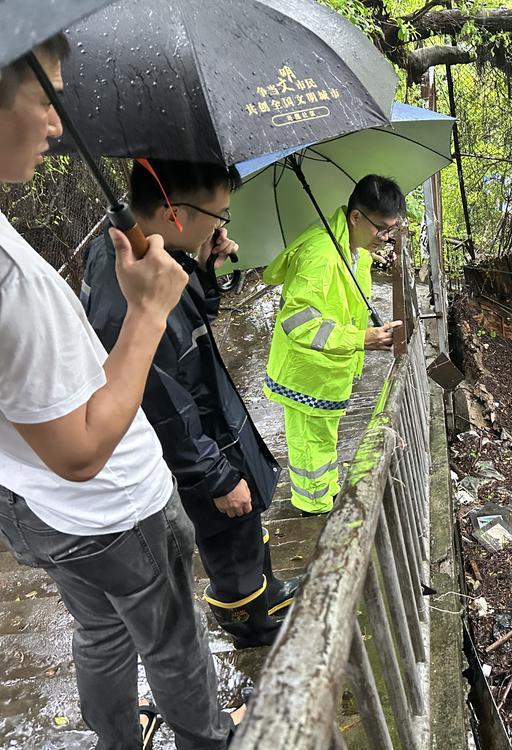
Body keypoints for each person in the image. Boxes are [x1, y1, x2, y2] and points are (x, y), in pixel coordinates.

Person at [0, 36, 234, 748]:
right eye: (45, 100)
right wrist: (149, 312)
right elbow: (79, 450)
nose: (55, 126)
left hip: (33, 506)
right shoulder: (8, 276)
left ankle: (115, 738)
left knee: (99, 627)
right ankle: (207, 739)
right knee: (171, 639)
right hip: (111, 506)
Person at [81, 158, 300, 648]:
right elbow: (161, 404)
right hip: (193, 441)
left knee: (246, 520)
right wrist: (215, 477)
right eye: (218, 214)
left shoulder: (147, 254)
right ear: (174, 210)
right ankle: (251, 623)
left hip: (209, 417)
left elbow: (190, 320)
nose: (224, 225)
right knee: (229, 527)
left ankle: (267, 592)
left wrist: (203, 264)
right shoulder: (126, 295)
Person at [263, 175, 404, 514]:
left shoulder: (355, 252)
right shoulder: (321, 254)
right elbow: (298, 321)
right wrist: (361, 339)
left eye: (391, 231)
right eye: (382, 229)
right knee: (308, 444)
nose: (385, 239)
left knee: (323, 438)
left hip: (330, 370)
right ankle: (313, 507)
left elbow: (347, 306)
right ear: (356, 217)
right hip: (305, 372)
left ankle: (325, 490)